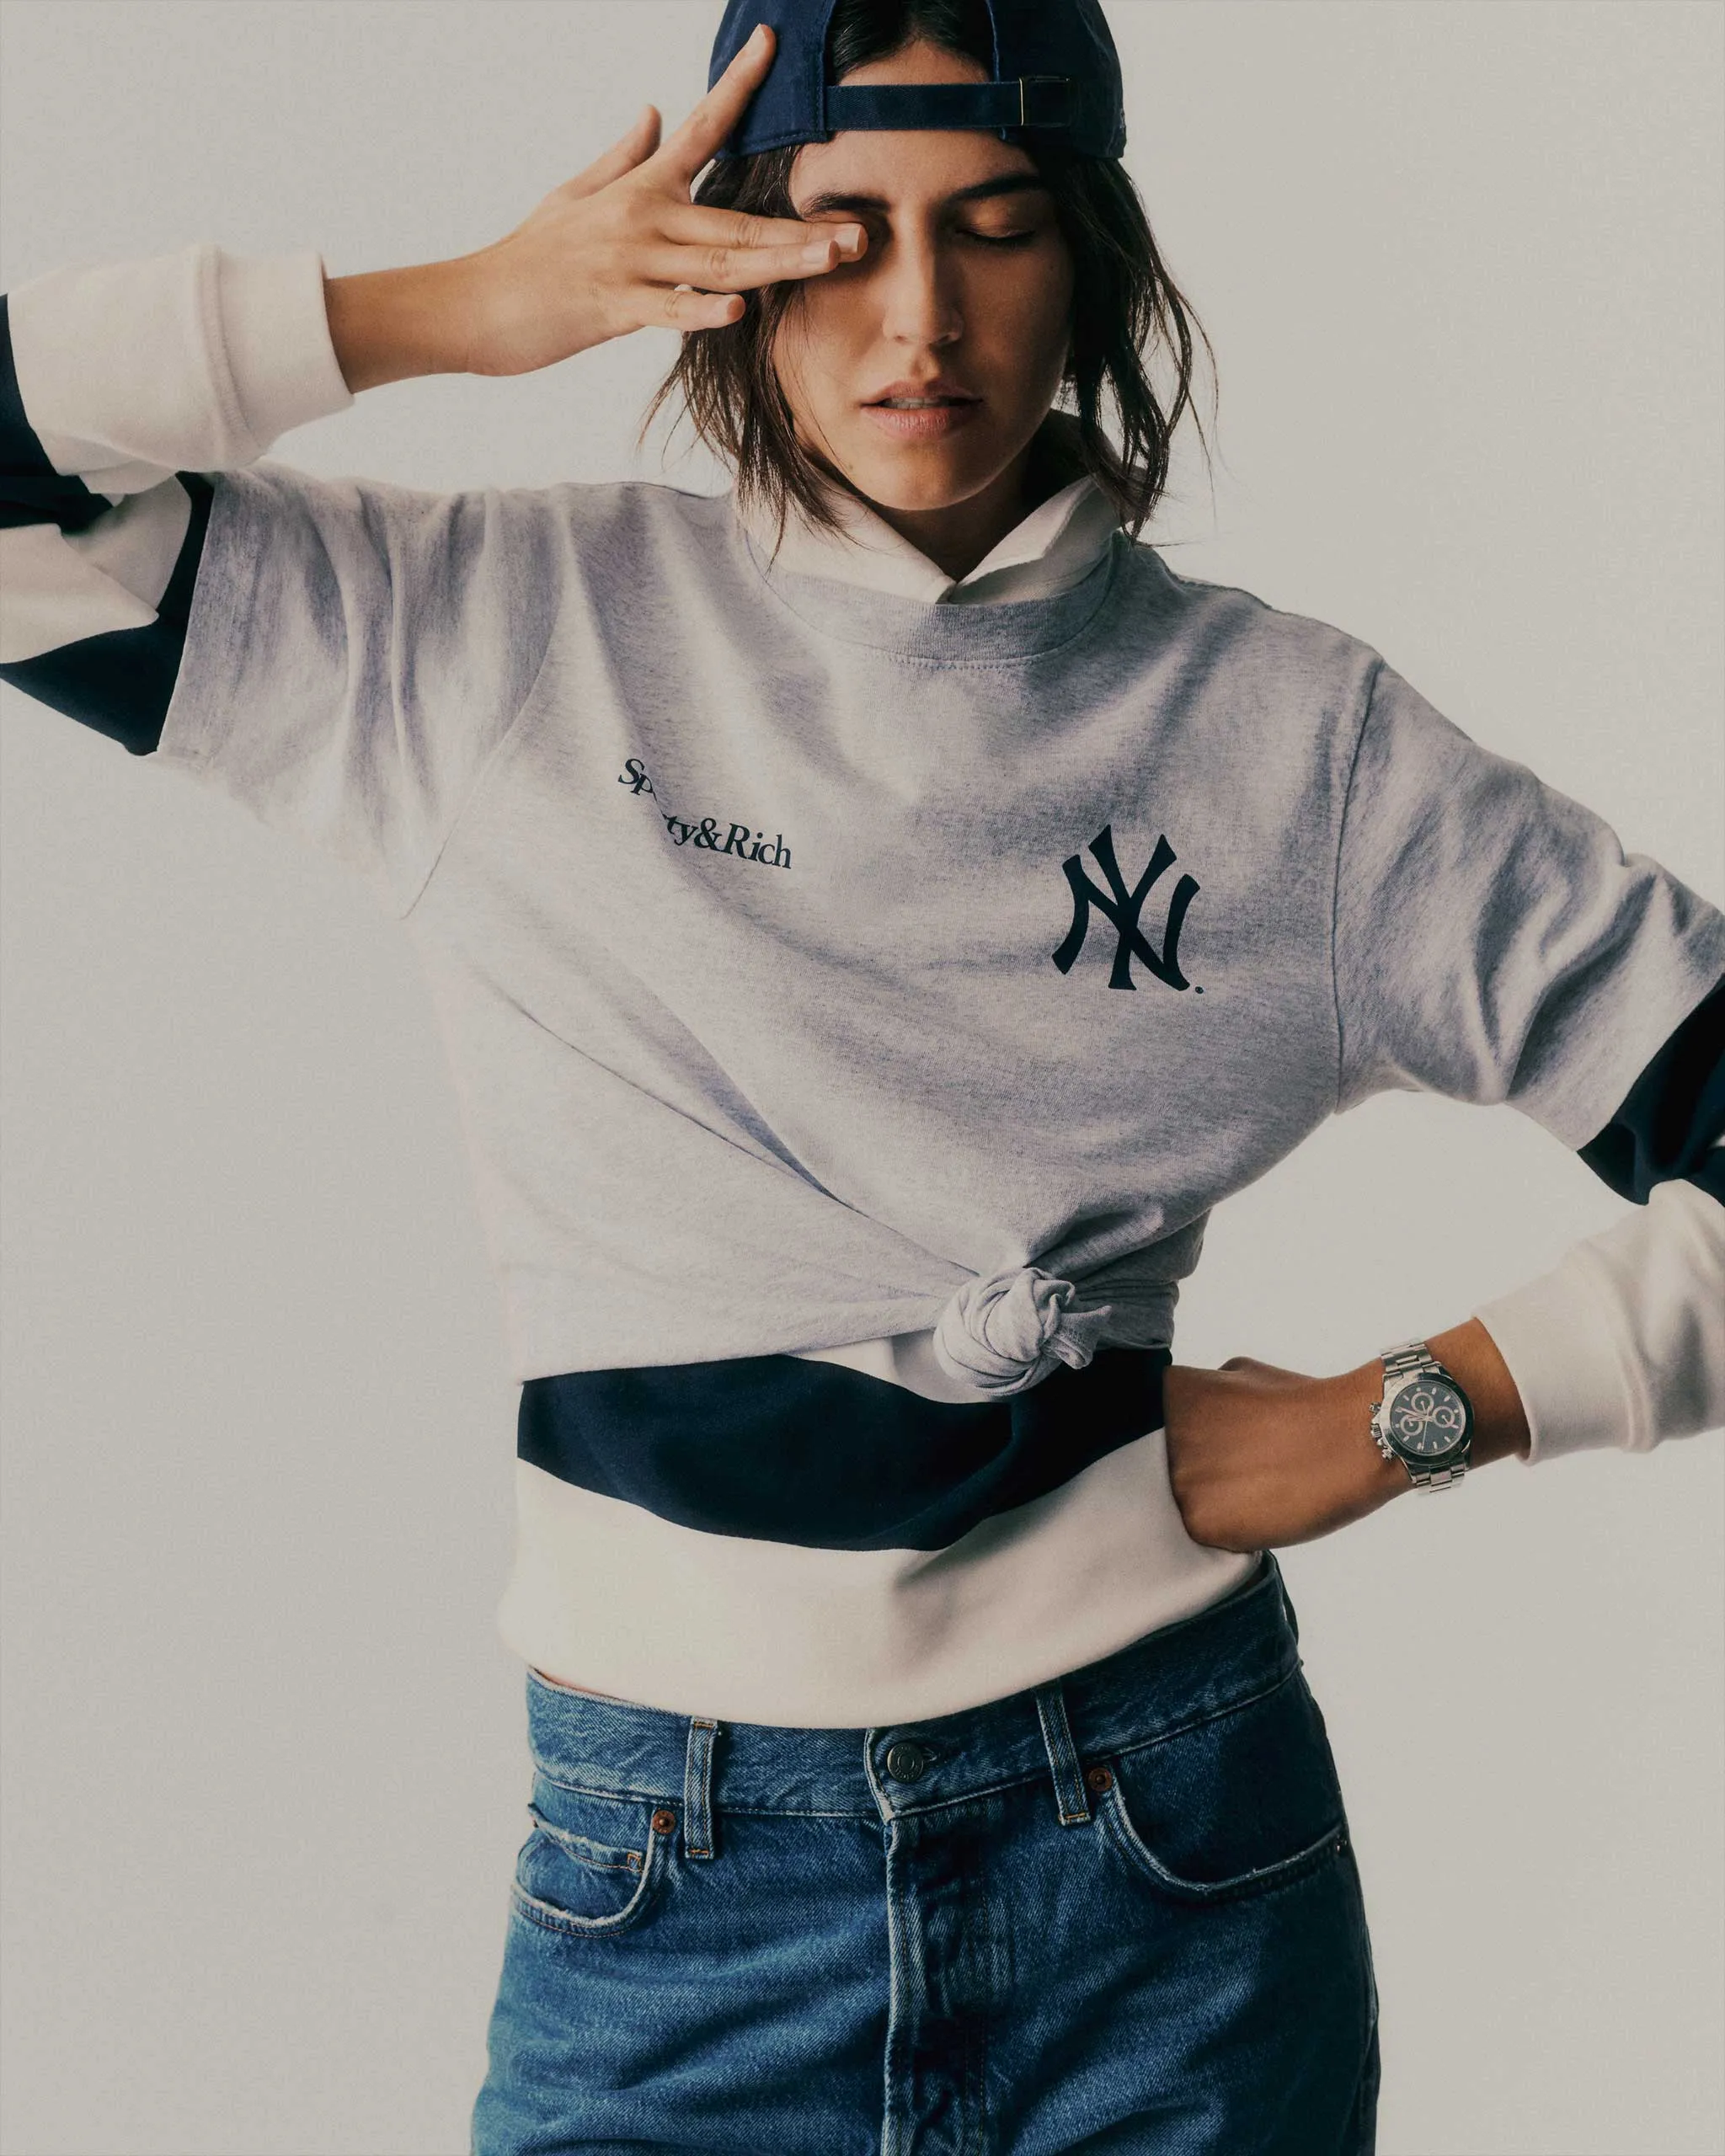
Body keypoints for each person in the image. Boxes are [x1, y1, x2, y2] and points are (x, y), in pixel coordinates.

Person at [3, 0, 1720, 2148]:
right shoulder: (492, 637)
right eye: (841, 232)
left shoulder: (1303, 752)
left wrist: (1422, 1409)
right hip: (669, 1902)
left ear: (1088, 260)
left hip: (1168, 1874)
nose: (921, 317)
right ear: (728, 259)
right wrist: (456, 306)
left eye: (994, 228)